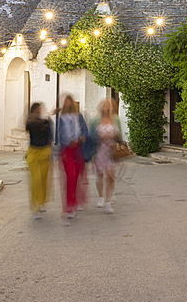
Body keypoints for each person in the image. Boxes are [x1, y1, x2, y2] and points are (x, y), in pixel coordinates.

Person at [56, 95, 88, 223]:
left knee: (77, 177)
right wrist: (60, 151)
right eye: (66, 101)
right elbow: (59, 135)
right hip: (67, 149)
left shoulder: (78, 116)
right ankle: (69, 207)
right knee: (70, 177)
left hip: (78, 148)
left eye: (70, 101)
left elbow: (85, 130)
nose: (68, 104)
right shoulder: (61, 118)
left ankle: (75, 201)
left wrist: (83, 137)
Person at [92, 98, 124, 214]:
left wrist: (114, 135)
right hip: (99, 151)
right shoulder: (96, 120)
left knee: (110, 176)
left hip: (111, 151)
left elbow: (120, 136)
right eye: (105, 105)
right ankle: (101, 197)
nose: (107, 107)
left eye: (109, 105)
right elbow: (92, 135)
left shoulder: (116, 119)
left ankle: (108, 202)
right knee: (100, 175)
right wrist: (100, 137)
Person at [25, 102, 53, 219]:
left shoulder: (45, 121)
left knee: (43, 179)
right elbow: (34, 127)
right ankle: (36, 206)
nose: (41, 110)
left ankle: (41, 203)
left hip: (45, 151)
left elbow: (49, 134)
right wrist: (48, 116)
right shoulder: (31, 122)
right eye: (39, 108)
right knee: (36, 180)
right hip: (34, 152)